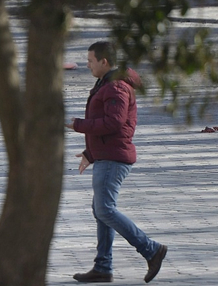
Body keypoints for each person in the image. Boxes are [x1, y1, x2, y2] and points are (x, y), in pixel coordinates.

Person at [66, 41, 167, 283]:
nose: (87, 65)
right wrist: (90, 153)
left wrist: (77, 124)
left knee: (104, 209)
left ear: (105, 62)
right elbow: (107, 125)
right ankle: (102, 267)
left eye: (91, 61)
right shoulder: (106, 83)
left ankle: (151, 249)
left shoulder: (116, 86)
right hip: (107, 155)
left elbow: (113, 123)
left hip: (114, 158)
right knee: (101, 210)